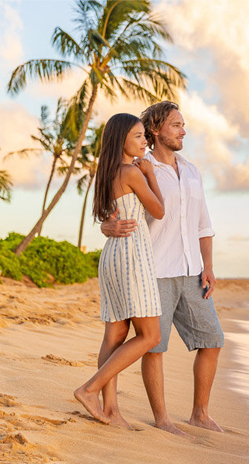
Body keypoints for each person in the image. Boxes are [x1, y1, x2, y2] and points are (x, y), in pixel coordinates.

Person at [101, 101, 225, 434]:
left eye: (183, 125)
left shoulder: (192, 170)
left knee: (212, 340)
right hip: (153, 269)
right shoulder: (140, 164)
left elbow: (203, 223)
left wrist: (208, 265)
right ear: (156, 129)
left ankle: (200, 413)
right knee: (154, 346)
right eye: (176, 125)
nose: (183, 131)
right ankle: (162, 419)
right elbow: (114, 207)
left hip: (192, 270)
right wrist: (106, 227)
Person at [74, 113, 165, 427]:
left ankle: (111, 409)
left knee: (114, 335)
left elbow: (110, 215)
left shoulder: (107, 172)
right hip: (132, 256)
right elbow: (159, 210)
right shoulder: (131, 172)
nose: (145, 142)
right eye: (139, 136)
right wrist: (151, 174)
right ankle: (90, 389)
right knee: (150, 335)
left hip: (113, 256)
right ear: (121, 140)